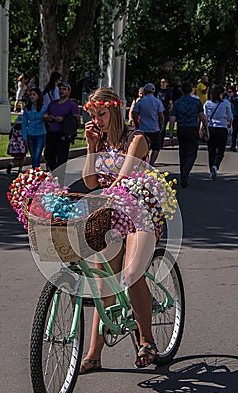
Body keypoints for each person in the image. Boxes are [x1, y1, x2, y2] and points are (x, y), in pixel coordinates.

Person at [81, 87, 158, 373]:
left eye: (101, 114)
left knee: (131, 274)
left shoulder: (135, 139)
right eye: (92, 115)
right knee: (104, 285)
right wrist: (90, 146)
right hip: (112, 216)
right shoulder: (99, 142)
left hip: (141, 214)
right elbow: (90, 182)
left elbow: (122, 179)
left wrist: (106, 193)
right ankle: (93, 354)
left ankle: (147, 340)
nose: (97, 121)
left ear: (113, 111)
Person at [169, 81, 209, 188]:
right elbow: (202, 117)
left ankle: (183, 171)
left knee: (182, 151)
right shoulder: (196, 102)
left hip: (182, 129)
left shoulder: (177, 103)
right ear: (191, 90)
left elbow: (172, 119)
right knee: (192, 153)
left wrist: (171, 134)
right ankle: (186, 170)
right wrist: (206, 130)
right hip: (192, 129)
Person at [43, 81, 80, 171]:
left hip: (63, 134)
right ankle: (54, 171)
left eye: (64, 89)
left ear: (69, 91)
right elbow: (45, 115)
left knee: (61, 158)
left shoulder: (72, 105)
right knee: (48, 155)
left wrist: (64, 119)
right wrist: (48, 117)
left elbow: (77, 119)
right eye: (60, 89)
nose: (62, 91)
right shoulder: (53, 103)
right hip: (52, 132)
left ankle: (60, 177)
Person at [203, 85, 233, 180]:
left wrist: (202, 128)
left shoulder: (207, 103)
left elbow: (204, 116)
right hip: (222, 128)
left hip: (211, 127)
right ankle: (215, 166)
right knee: (220, 150)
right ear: (221, 94)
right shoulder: (225, 103)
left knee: (211, 150)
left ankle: (211, 169)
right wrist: (229, 123)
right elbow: (230, 116)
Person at [132, 82, 164, 166]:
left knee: (144, 148)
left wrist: (136, 124)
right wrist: (161, 126)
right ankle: (151, 163)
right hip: (154, 128)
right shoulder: (158, 102)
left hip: (143, 128)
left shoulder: (141, 101)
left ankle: (143, 162)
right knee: (156, 148)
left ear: (145, 91)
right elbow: (161, 116)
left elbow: (134, 113)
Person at [22, 87, 47, 169]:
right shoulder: (27, 109)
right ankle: (35, 173)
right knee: (33, 156)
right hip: (30, 134)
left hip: (41, 133)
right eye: (30, 95)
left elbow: (47, 119)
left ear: (39, 96)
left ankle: (36, 172)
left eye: (34, 94)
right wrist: (24, 137)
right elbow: (24, 123)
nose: (32, 97)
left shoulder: (44, 108)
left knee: (37, 155)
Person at [156, 78, 173, 148]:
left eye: (164, 82)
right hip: (156, 111)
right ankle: (156, 142)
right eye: (161, 82)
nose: (162, 83)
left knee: (163, 126)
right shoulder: (157, 90)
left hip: (164, 111)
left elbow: (170, 102)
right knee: (156, 126)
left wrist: (170, 110)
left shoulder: (168, 92)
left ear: (166, 83)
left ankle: (161, 143)